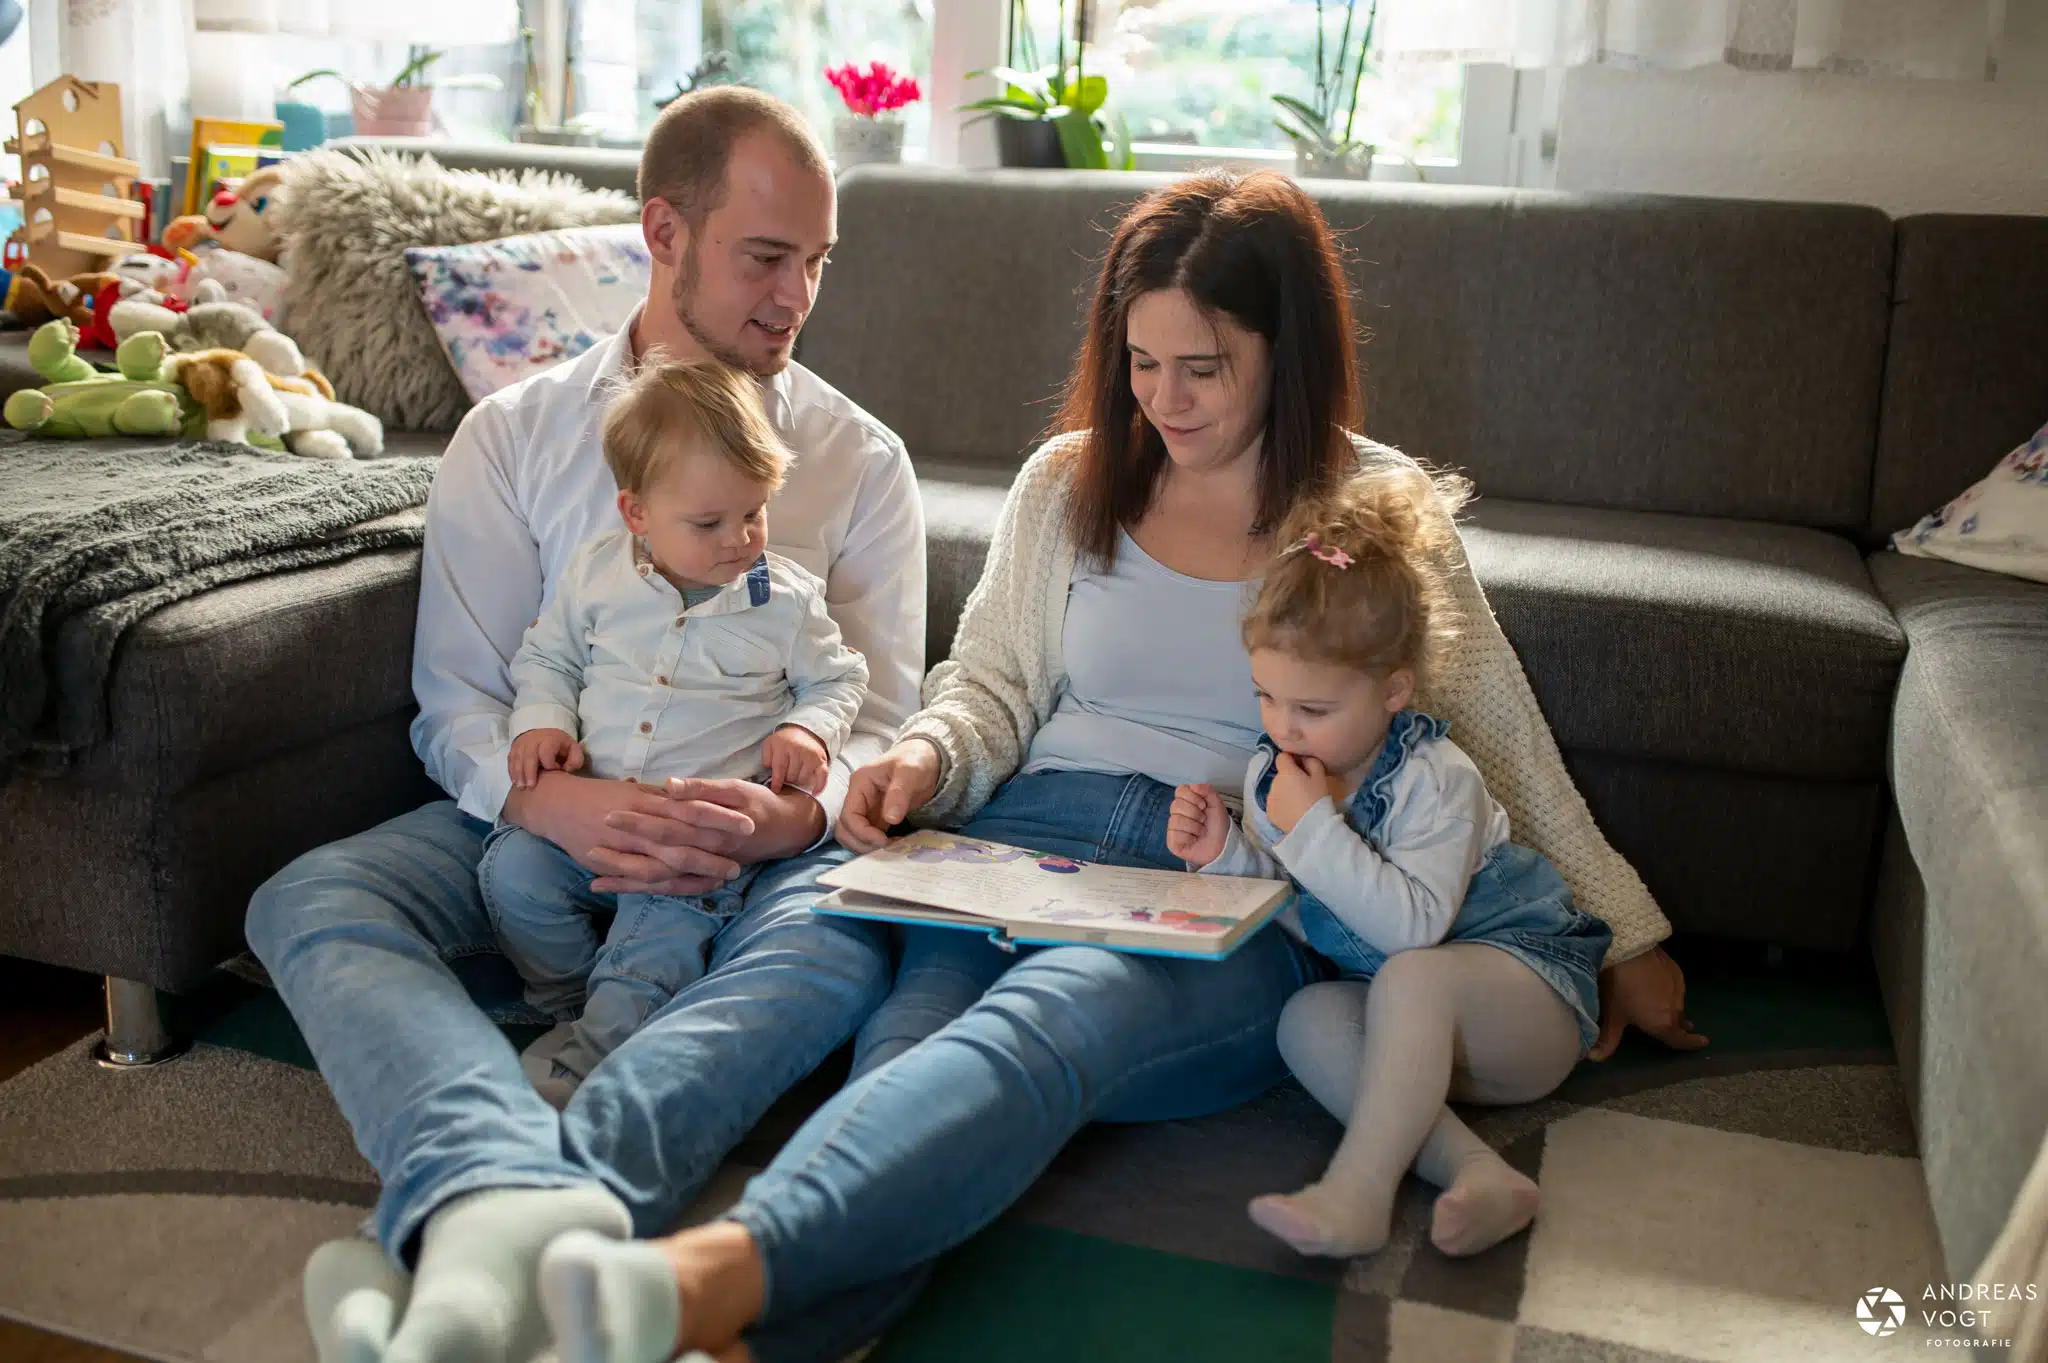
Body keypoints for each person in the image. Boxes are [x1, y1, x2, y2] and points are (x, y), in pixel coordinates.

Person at [529, 169, 1709, 1363]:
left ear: (1284, 348)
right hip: (1011, 836)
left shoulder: (1370, 504)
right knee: (900, 1045)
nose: (1167, 398)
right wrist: (926, 759)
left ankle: (704, 1283)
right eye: (1142, 363)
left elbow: (1490, 727)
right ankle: (545, 1247)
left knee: (1037, 1032)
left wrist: (1624, 931)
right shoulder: (1068, 479)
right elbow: (986, 679)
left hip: (1220, 873)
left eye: (1203, 367)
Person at [244, 86, 925, 1363]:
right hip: (537, 822)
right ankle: (505, 1182)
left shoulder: (858, 459)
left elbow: (883, 710)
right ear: (664, 231)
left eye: (818, 263)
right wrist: (553, 801)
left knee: (850, 945)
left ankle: (488, 1218)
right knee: (303, 900)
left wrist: (794, 814)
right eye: (766, 258)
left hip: (751, 850)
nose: (796, 297)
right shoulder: (514, 437)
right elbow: (463, 694)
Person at [1165, 468, 1610, 1259]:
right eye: (1267, 697)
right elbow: (1302, 906)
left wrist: (1311, 832)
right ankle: (1477, 1171)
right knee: (1304, 1018)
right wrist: (1226, 852)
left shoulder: (1437, 780)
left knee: (1407, 976)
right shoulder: (1283, 783)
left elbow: (1412, 930)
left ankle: (1358, 1193)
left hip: (1528, 1003)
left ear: (1393, 689)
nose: (1283, 729)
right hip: (1425, 1044)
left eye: (1313, 709)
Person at [486, 359, 869, 1106]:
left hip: (693, 841)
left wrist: (809, 730)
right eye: (709, 523)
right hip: (586, 822)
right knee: (511, 876)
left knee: (651, 950)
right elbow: (550, 658)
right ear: (637, 513)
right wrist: (541, 722)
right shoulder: (595, 575)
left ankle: (594, 1060)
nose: (740, 539)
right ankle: (567, 1007)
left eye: (755, 513)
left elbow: (841, 677)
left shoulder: (783, 602)